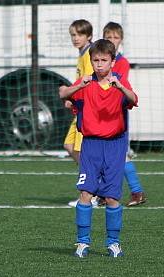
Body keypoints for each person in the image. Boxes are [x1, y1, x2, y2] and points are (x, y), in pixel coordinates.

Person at [59, 39, 138, 258]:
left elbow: (133, 99)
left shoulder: (119, 83)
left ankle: (113, 243)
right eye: (95, 60)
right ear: (91, 61)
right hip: (91, 146)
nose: (99, 64)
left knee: (112, 197)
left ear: (113, 61)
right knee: (85, 193)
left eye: (104, 60)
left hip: (115, 145)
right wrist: (79, 85)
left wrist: (120, 87)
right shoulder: (86, 84)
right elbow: (63, 94)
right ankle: (82, 242)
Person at [102, 22, 147, 207]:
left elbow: (118, 85)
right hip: (101, 112)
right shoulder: (99, 59)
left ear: (121, 40)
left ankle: (136, 192)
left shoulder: (122, 62)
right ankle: (106, 193)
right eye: (109, 37)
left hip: (116, 112)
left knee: (119, 154)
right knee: (108, 154)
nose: (112, 40)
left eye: (116, 37)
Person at [60, 19, 98, 207]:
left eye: (79, 35)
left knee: (83, 153)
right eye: (73, 35)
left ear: (88, 36)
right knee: (69, 146)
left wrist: (71, 94)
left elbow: (88, 81)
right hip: (80, 110)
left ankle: (92, 191)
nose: (75, 38)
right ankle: (93, 183)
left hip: (87, 111)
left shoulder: (89, 55)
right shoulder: (81, 54)